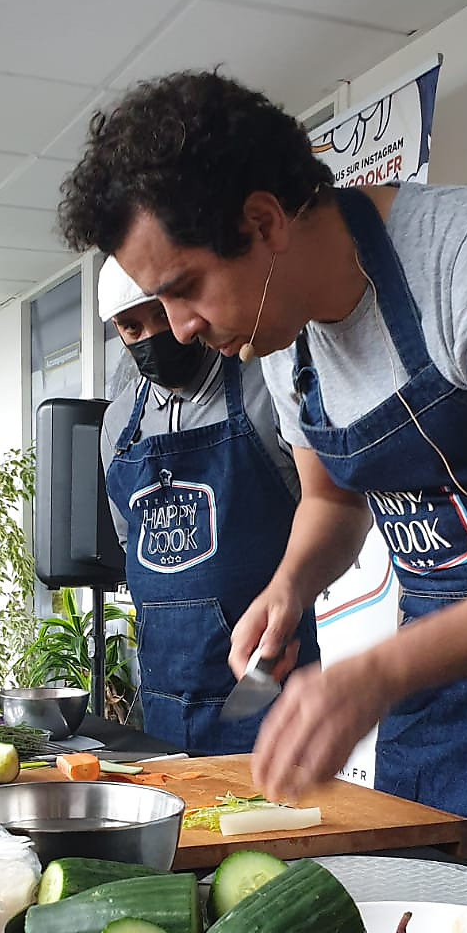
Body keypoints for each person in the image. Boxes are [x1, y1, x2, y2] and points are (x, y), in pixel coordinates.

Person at [59, 71, 467, 896]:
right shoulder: (284, 340)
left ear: (265, 222)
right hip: (435, 692)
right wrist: (290, 587)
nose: (182, 328)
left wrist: (377, 672)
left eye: (185, 288)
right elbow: (332, 500)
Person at [98, 255, 318, 754]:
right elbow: (131, 541)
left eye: (162, 314)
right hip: (161, 698)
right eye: (133, 328)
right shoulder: (117, 426)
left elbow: (326, 510)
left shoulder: (266, 387)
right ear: (117, 330)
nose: (154, 336)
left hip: (265, 685)